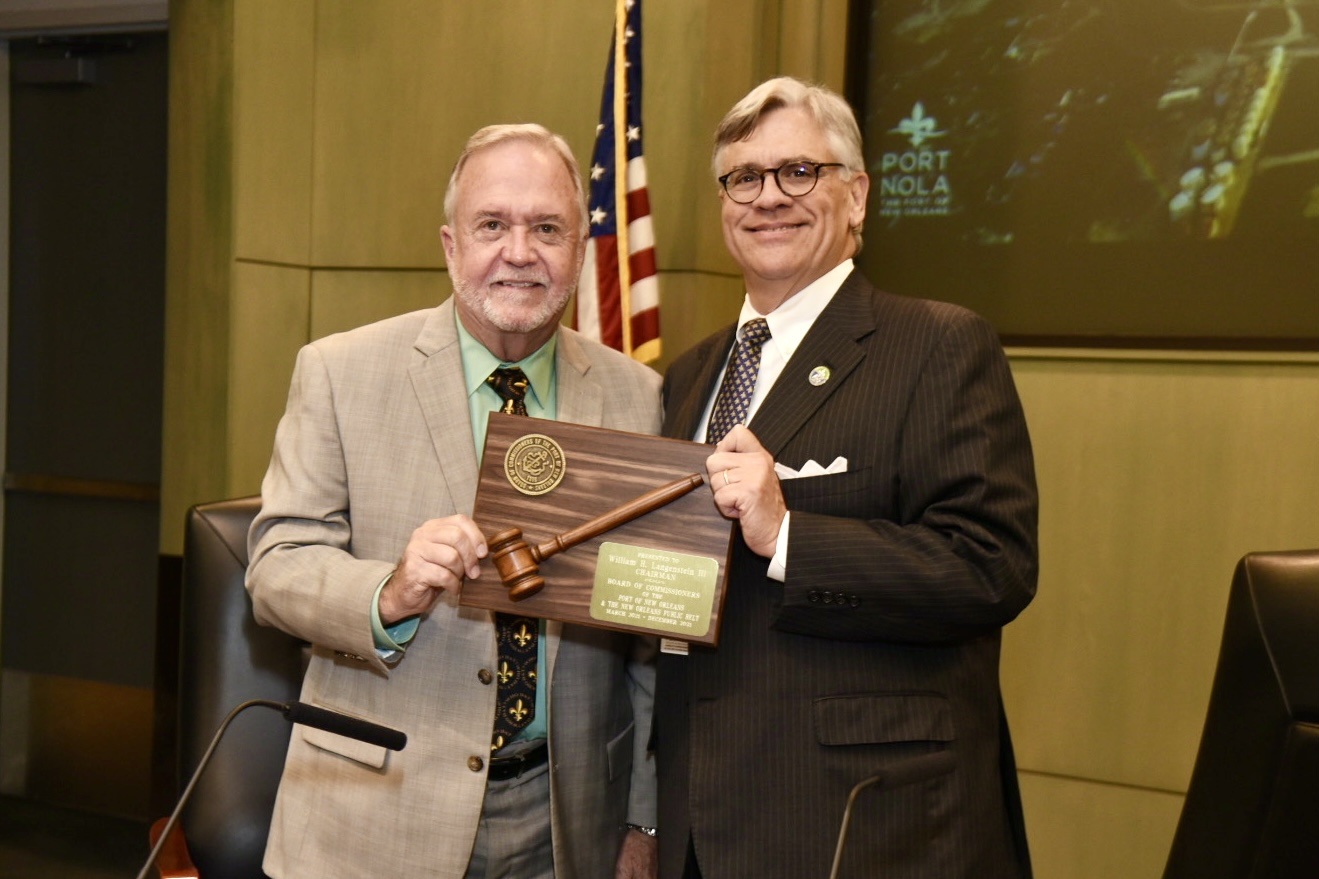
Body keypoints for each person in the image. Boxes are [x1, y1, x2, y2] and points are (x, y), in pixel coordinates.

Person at [246, 123, 661, 879]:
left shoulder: (639, 396)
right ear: (449, 244)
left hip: (567, 826)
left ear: (578, 247)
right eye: (491, 225)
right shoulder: (341, 371)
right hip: (373, 816)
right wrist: (389, 590)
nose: (519, 251)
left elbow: (648, 642)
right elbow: (276, 568)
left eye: (546, 228)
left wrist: (641, 815)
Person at [654, 77, 1039, 879]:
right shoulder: (687, 378)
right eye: (743, 178)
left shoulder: (936, 345)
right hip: (698, 824)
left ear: (856, 195)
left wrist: (785, 533)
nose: (768, 198)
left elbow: (989, 566)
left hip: (865, 825)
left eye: (799, 172)